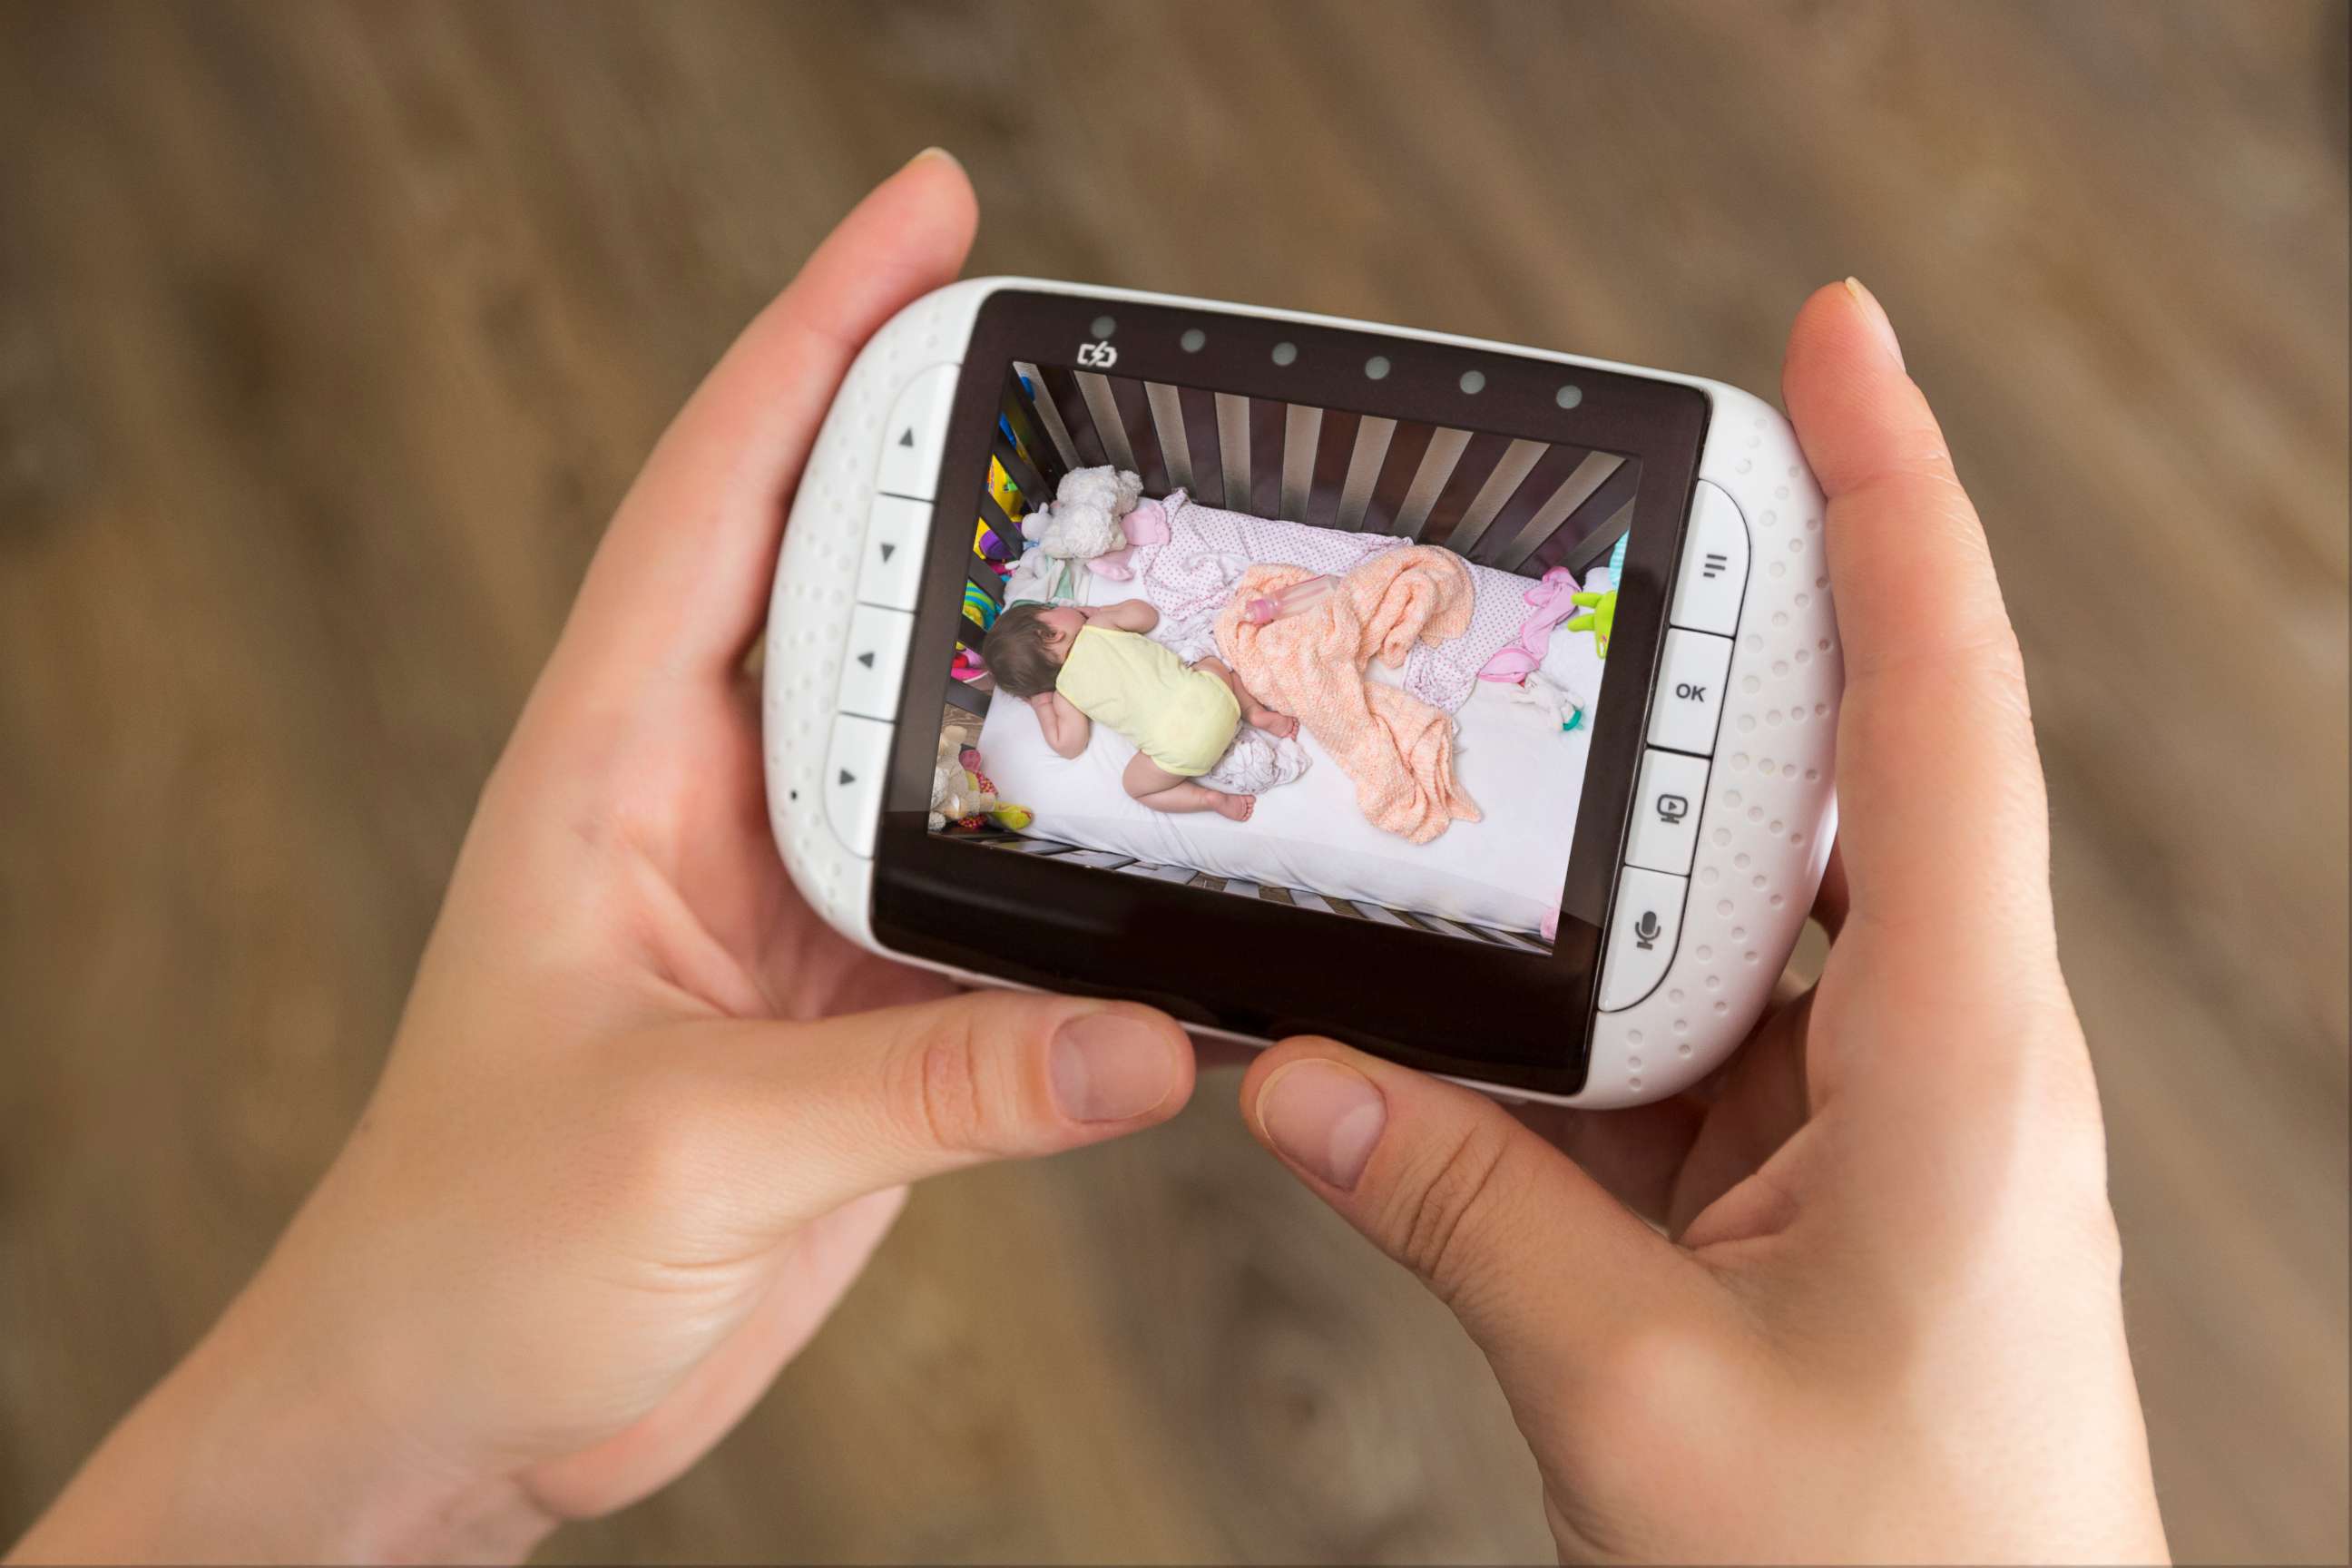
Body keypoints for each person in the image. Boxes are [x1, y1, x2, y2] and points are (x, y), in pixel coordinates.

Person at [5, 150, 2170, 1564]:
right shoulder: (1103, 667)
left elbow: (1245, 630)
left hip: (1256, 691)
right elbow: (1192, 687)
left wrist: (369, 1446)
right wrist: (402, 1444)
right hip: (1238, 717)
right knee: (1298, 737)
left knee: (1330, 691)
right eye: (1052, 640)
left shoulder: (1147, 633)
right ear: (1055, 647)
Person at [983, 597, 1293, 821]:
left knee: (1135, 788)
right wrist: (1102, 610)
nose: (1061, 605)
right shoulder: (1101, 624)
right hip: (1215, 701)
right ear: (1052, 632)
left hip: (1184, 752)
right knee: (1212, 663)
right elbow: (1147, 615)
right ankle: (1253, 712)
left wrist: (1041, 704)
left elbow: (1069, 746)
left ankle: (1209, 798)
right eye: (1050, 608)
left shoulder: (1065, 694)